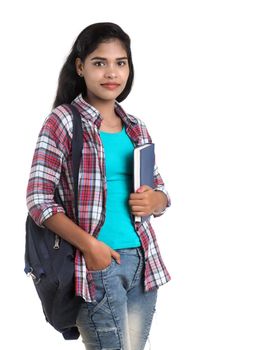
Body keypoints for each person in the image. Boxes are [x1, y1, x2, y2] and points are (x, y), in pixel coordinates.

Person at [26, 22, 171, 350]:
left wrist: (156, 200)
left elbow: (159, 190)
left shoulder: (136, 128)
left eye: (120, 63)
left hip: (142, 263)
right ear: (80, 67)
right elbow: (39, 200)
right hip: (95, 265)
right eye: (99, 62)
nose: (112, 72)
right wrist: (90, 247)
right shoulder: (63, 122)